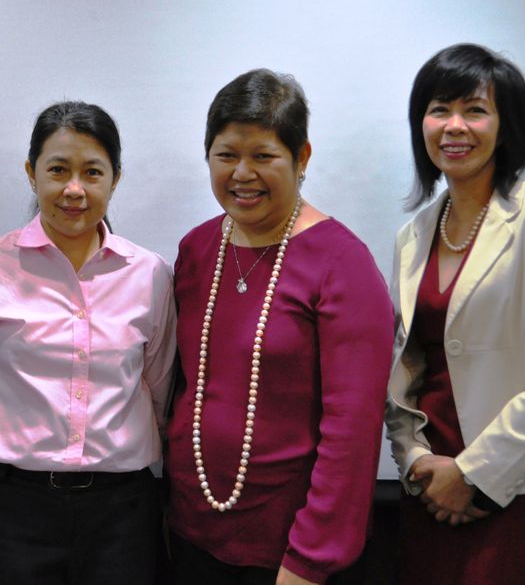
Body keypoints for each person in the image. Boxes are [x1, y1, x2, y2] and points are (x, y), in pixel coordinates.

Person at [0, 100, 176, 585]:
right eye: (57, 169)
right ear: (31, 173)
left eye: (92, 172)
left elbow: (159, 389)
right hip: (6, 512)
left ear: (115, 178)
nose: (74, 189)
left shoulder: (150, 274)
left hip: (121, 514)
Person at [165, 69, 394, 585]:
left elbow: (353, 431)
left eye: (263, 156)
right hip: (189, 534)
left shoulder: (342, 264)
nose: (242, 173)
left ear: (302, 157)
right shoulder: (197, 249)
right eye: (226, 156)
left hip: (291, 553)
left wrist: (312, 557)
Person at [386, 43, 525, 584]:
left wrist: (475, 474)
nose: (455, 126)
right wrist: (413, 461)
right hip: (429, 486)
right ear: (421, 124)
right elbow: (405, 367)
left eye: (475, 110)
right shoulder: (412, 235)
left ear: (506, 128)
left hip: (521, 489)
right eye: (439, 110)